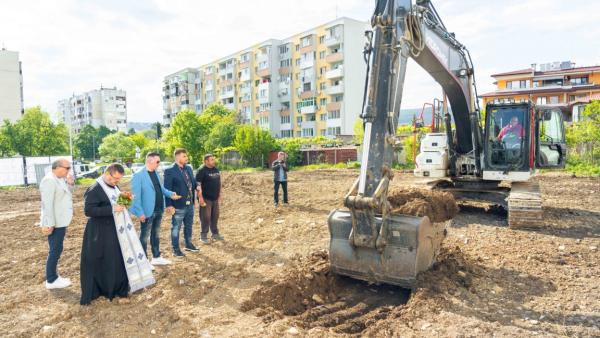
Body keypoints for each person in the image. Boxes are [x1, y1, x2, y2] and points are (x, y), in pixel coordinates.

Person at [80, 163, 155, 305]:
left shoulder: (114, 185)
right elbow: (88, 211)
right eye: (115, 179)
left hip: (116, 230)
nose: (117, 182)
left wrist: (126, 199)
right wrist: (112, 208)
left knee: (118, 259)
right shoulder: (95, 189)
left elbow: (118, 204)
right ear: (107, 174)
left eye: (119, 180)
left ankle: (118, 289)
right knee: (106, 260)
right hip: (100, 233)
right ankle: (104, 290)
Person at [129, 152, 180, 267]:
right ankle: (143, 261)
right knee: (144, 236)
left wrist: (171, 194)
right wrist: (140, 213)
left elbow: (160, 189)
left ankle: (156, 257)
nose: (159, 164)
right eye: (157, 161)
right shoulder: (138, 175)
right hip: (147, 211)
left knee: (155, 234)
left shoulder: (156, 173)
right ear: (149, 161)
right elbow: (135, 197)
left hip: (158, 209)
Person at [39, 158, 74, 289]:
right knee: (55, 250)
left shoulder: (59, 179)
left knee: (57, 249)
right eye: (67, 168)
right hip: (54, 222)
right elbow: (46, 205)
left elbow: (66, 196)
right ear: (57, 167)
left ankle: (54, 277)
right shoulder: (49, 180)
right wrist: (50, 223)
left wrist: (70, 184)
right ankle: (51, 280)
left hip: (60, 220)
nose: (69, 171)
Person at [164, 149, 199, 256]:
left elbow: (192, 183)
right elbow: (167, 189)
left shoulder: (188, 168)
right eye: (184, 156)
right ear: (178, 157)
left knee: (189, 226)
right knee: (176, 227)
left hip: (190, 204)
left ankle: (188, 244)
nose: (186, 158)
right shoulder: (169, 171)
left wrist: (197, 186)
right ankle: (176, 249)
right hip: (178, 205)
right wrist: (169, 205)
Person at [196, 154, 223, 244]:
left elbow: (219, 182)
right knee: (205, 217)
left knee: (215, 216)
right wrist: (200, 198)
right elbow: (198, 185)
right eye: (211, 160)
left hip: (215, 198)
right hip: (206, 198)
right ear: (206, 161)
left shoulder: (215, 169)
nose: (213, 161)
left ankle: (215, 234)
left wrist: (219, 194)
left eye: (213, 159)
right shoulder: (201, 171)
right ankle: (203, 236)